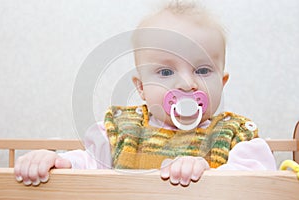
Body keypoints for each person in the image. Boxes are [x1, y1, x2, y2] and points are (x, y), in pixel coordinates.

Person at [14, 0, 277, 187]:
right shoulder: (122, 133)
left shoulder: (234, 137)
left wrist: (208, 175)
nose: (186, 84)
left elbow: (261, 179)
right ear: (141, 88)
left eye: (203, 70)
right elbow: (88, 166)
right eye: (165, 73)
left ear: (223, 81)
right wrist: (56, 161)